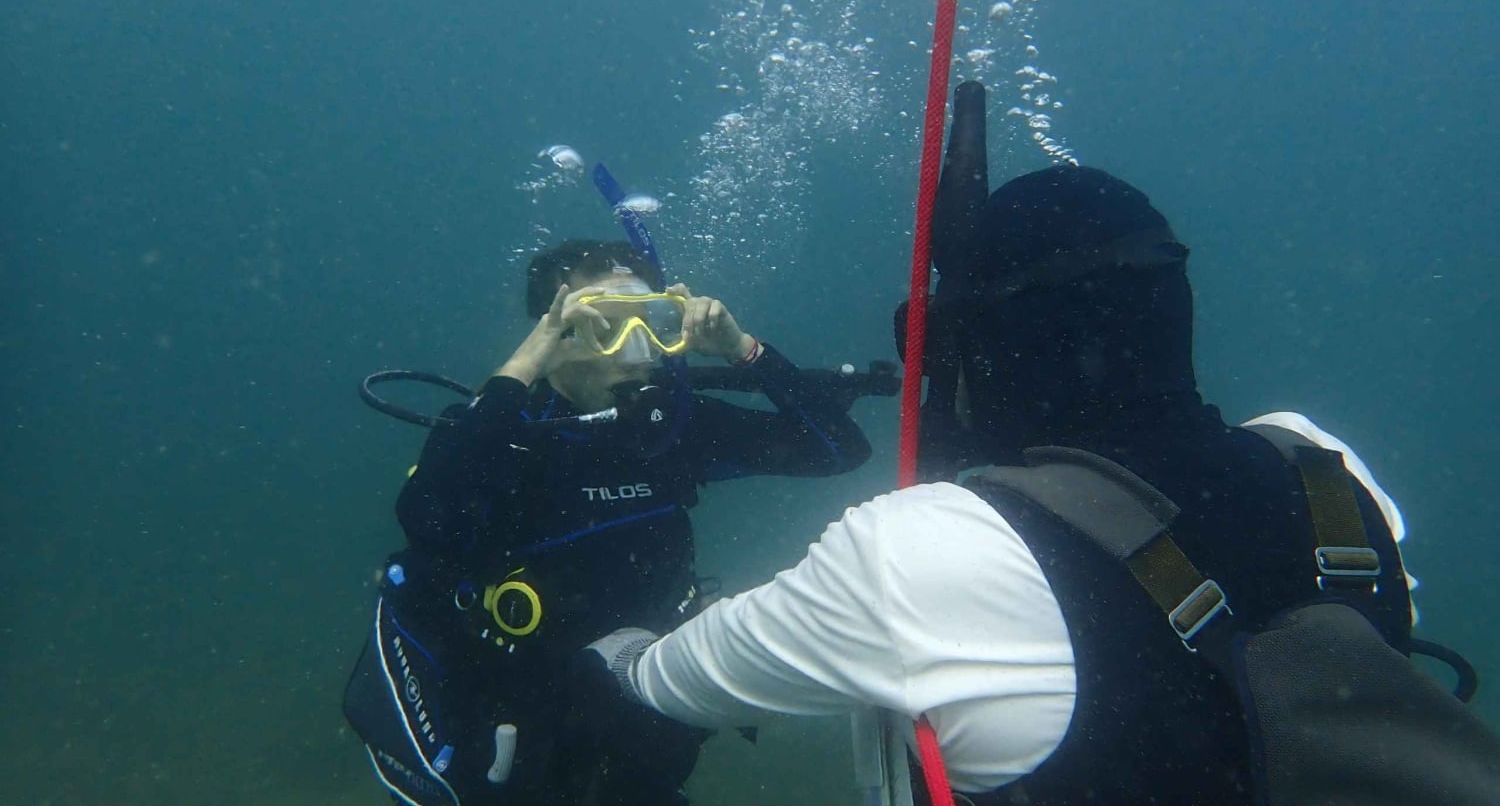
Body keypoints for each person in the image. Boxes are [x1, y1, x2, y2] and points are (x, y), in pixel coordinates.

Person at [583, 166, 1500, 804]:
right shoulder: (1323, 465)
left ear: (985, 345)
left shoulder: (919, 550)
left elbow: (675, 680)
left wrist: (619, 647)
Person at [343, 238, 873, 806]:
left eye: (655, 320)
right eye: (608, 324)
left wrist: (745, 351)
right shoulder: (508, 433)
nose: (641, 346)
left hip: (632, 718)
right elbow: (429, 520)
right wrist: (521, 368)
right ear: (556, 334)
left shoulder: (669, 432)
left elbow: (838, 451)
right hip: (505, 722)